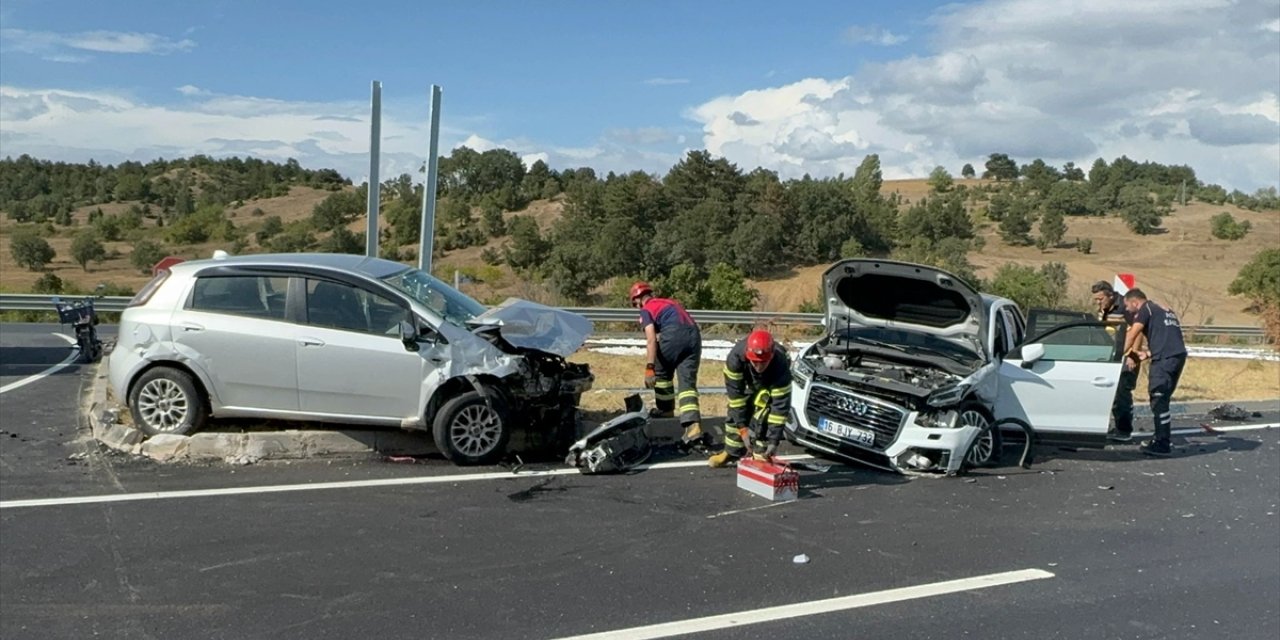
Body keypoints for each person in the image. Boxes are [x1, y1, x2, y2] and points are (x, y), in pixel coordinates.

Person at [629, 282, 704, 446]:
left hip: (675, 334)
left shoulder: (646, 309)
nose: (636, 307)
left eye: (635, 303)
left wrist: (650, 367)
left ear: (638, 299)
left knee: (661, 370)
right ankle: (693, 426)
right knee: (687, 385)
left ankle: (666, 410)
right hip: (694, 337)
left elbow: (650, 339)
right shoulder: (669, 302)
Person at [709, 329, 793, 468]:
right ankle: (731, 452)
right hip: (748, 381)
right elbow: (736, 397)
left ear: (771, 357)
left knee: (764, 415)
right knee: (735, 412)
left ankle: (762, 454)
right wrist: (743, 430)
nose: (759, 366)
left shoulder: (780, 365)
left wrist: (774, 441)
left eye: (763, 362)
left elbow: (779, 409)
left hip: (770, 383)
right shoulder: (735, 359)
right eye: (755, 362)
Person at [1122, 289, 1188, 457]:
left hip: (1165, 359)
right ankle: (1160, 436)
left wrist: (1116, 354)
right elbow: (1168, 337)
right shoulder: (1164, 310)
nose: (1128, 311)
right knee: (1162, 398)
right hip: (1177, 356)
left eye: (1128, 306)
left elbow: (1132, 334)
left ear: (1135, 302)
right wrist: (1149, 354)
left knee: (1158, 398)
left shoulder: (1146, 309)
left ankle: (1162, 443)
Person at [1091, 281, 1139, 442]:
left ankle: (1124, 430)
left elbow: (1138, 331)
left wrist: (1132, 354)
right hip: (1108, 355)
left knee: (1122, 392)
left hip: (1126, 355)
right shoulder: (1104, 309)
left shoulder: (1125, 307)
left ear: (1110, 296)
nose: (1098, 302)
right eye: (1096, 300)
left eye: (1101, 299)